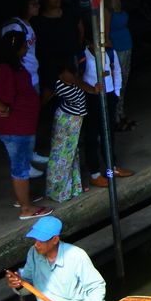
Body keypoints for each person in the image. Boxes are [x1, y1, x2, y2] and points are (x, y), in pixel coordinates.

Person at [0, 30, 50, 220]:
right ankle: (26, 208)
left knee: (20, 164)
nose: (26, 48)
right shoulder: (4, 69)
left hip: (20, 125)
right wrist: (3, 107)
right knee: (20, 166)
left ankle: (23, 199)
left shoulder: (12, 66)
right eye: (24, 46)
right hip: (15, 127)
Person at [80, 37, 132, 188]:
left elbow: (117, 71)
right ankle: (95, 174)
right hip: (91, 97)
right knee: (91, 135)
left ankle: (111, 169)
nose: (101, 44)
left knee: (108, 133)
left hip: (109, 95)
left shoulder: (109, 52)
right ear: (89, 42)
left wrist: (116, 93)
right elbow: (79, 77)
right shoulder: (83, 55)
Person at [46, 54, 90, 202]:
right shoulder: (65, 75)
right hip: (68, 119)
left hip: (72, 117)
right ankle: (58, 191)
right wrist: (95, 89)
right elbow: (84, 86)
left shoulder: (60, 77)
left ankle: (72, 188)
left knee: (70, 154)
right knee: (62, 155)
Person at [103, 0, 133, 130]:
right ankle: (115, 117)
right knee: (117, 82)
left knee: (124, 81)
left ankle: (121, 113)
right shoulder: (106, 10)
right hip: (116, 48)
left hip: (126, 45)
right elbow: (105, 35)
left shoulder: (119, 6)